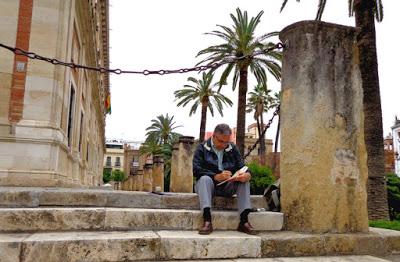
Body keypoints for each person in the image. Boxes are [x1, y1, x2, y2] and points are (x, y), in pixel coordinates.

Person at [193, 123, 255, 235]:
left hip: (227, 186)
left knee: (244, 181)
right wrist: (215, 176)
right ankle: (207, 220)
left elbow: (242, 166)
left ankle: (244, 221)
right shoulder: (202, 148)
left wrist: (247, 175)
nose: (224, 145)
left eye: (226, 142)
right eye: (221, 141)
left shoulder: (232, 148)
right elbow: (196, 170)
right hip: (208, 186)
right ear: (213, 136)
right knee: (204, 179)